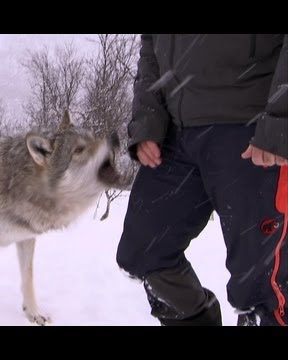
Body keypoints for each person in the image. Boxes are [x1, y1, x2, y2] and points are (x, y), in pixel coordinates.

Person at [116, 34, 287, 326]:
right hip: (176, 132)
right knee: (144, 252)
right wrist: (147, 118)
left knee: (262, 286)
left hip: (251, 132)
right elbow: (150, 44)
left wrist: (280, 121)